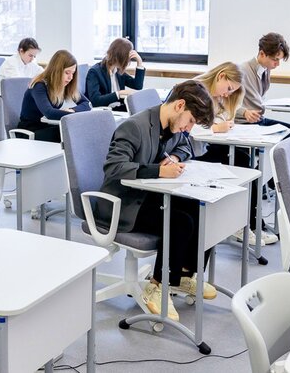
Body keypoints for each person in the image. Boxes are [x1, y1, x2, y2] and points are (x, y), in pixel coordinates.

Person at [95, 80, 215, 321]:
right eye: (191, 121)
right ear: (179, 105)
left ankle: (182, 277)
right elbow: (114, 167)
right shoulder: (134, 127)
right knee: (180, 221)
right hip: (121, 203)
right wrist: (159, 171)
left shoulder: (173, 127)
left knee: (202, 208)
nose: (189, 128)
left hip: (147, 195)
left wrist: (173, 157)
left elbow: (186, 147)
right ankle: (157, 285)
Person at [192, 62, 275, 246]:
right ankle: (242, 224)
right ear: (221, 75)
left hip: (208, 145)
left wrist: (223, 122)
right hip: (193, 151)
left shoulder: (217, 94)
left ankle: (250, 223)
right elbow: (189, 128)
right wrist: (216, 128)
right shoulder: (196, 90)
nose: (227, 94)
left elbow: (221, 116)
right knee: (241, 162)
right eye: (229, 88)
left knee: (244, 160)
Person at [236, 32, 290, 134]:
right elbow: (223, 103)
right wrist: (244, 112)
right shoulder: (241, 71)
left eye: (279, 60)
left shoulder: (266, 69)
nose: (278, 64)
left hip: (259, 120)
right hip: (245, 124)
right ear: (262, 54)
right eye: (275, 59)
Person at [18, 49, 91, 143]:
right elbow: (49, 113)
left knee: (74, 130)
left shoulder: (64, 84)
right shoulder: (39, 85)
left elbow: (87, 103)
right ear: (56, 71)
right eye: (67, 72)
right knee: (70, 132)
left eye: (73, 73)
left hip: (47, 128)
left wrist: (73, 110)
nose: (70, 77)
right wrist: (74, 116)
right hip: (30, 132)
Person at [85, 37, 145, 111]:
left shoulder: (117, 70)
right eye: (127, 58)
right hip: (105, 111)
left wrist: (139, 62)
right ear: (119, 57)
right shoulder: (95, 72)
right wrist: (119, 94)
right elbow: (95, 101)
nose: (128, 61)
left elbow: (137, 85)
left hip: (118, 108)